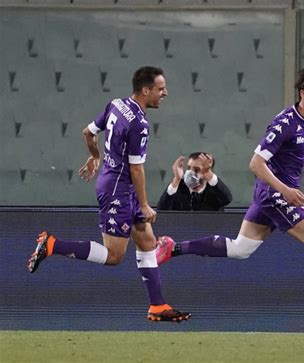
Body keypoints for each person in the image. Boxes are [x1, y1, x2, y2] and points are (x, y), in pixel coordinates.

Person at [156, 66, 304, 332]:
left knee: (240, 249)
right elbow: (256, 163)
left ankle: (171, 247)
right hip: (275, 195)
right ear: (302, 93)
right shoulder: (284, 124)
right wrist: (286, 190)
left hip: (271, 195)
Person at [27, 66, 190, 323]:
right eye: (160, 88)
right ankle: (52, 244)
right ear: (145, 90)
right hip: (119, 190)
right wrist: (145, 205)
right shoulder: (140, 124)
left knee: (147, 243)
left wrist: (95, 157)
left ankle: (158, 305)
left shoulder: (116, 104)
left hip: (117, 184)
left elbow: (88, 132)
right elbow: (137, 168)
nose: (165, 93)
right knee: (114, 255)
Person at [157, 152, 233, 211]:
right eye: (189, 168)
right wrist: (176, 179)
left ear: (207, 172)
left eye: (196, 169)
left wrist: (208, 173)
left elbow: (227, 199)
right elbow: (162, 209)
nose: (190, 172)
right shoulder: (178, 186)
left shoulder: (215, 190)